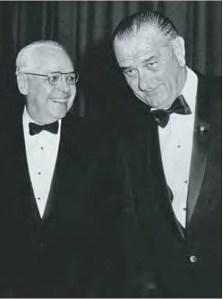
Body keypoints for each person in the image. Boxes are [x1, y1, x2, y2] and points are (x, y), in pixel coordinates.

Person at [0, 40, 125, 297]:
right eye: (53, 78)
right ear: (23, 83)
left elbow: (113, 238)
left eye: (70, 78)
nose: (65, 89)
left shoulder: (101, 144)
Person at [112, 10, 221, 297]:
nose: (143, 84)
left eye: (150, 63)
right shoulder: (127, 136)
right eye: (129, 71)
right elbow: (133, 235)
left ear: (179, 50)